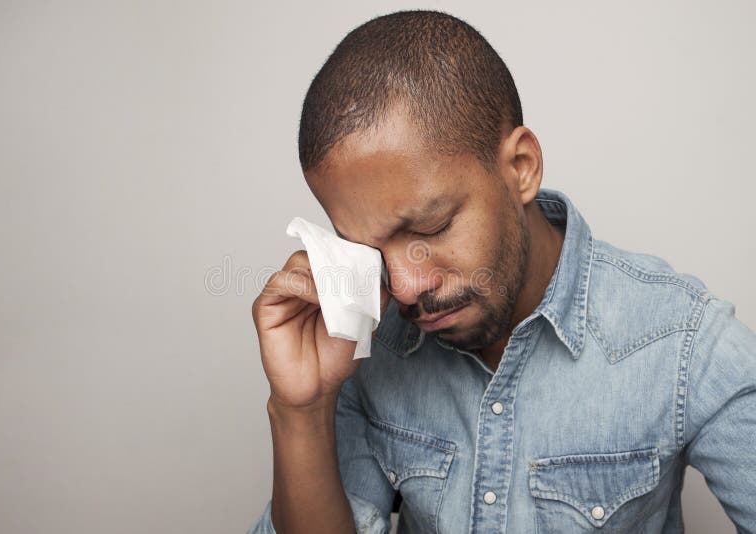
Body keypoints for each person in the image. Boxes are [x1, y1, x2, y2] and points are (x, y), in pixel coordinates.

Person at [247, 9, 756, 534]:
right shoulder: (367, 345)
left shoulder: (681, 340)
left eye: (431, 226)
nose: (403, 288)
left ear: (521, 168)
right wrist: (302, 409)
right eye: (367, 250)